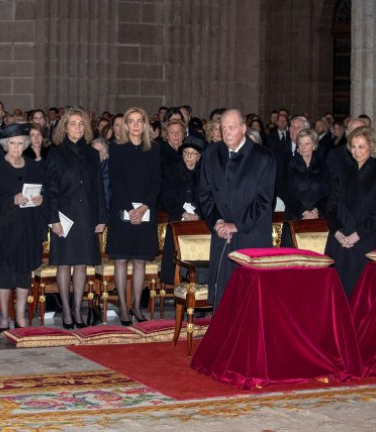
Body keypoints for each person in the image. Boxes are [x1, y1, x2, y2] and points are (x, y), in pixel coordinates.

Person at [198, 109, 275, 309]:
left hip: (251, 235)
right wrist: (218, 222)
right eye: (223, 128)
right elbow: (204, 194)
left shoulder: (263, 157)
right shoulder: (211, 153)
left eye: (231, 127)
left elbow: (264, 200)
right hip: (221, 234)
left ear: (243, 128)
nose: (226, 132)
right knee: (224, 298)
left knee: (248, 299)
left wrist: (236, 225)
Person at [46, 106, 106, 329]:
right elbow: (50, 189)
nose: (78, 128)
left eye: (81, 124)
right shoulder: (56, 153)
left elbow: (99, 187)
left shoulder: (92, 153)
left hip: (86, 215)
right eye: (73, 124)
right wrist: (53, 219)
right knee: (64, 264)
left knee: (81, 264)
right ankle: (66, 312)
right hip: (64, 215)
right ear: (64, 127)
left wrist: (101, 216)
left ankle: (78, 309)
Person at [106, 107, 161, 324]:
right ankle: (123, 307)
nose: (136, 125)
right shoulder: (117, 148)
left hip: (146, 210)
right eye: (132, 121)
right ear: (126, 125)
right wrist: (131, 208)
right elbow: (116, 181)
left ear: (145, 124)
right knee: (121, 260)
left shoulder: (154, 149)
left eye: (140, 121)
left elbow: (156, 180)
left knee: (140, 261)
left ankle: (137, 306)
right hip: (123, 209)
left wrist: (144, 207)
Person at [0, 123, 47, 331]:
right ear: (6, 145)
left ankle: (21, 316)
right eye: (12, 143)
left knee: (24, 273)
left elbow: (42, 191)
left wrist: (40, 199)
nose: (17, 147)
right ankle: (5, 316)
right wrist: (11, 199)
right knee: (4, 274)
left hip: (27, 227)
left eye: (20, 143)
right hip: (4, 228)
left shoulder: (32, 166)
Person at [325, 126, 376, 296]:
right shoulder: (343, 173)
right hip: (339, 240)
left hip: (364, 241)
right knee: (338, 291)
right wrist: (338, 231)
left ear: (371, 147)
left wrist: (357, 234)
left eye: (361, 146)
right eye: (353, 146)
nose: (357, 151)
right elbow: (330, 206)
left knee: (361, 293)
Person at [160, 137, 204, 286]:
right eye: (186, 153)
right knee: (175, 256)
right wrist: (182, 213)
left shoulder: (205, 174)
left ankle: (196, 285)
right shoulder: (171, 171)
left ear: (199, 156)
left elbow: (208, 197)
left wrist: (199, 214)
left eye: (193, 153)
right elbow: (167, 196)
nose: (189, 157)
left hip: (199, 222)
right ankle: (176, 285)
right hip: (178, 219)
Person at [280, 129, 329, 246]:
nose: (303, 147)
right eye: (300, 144)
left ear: (314, 145)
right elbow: (286, 193)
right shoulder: (289, 165)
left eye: (307, 144)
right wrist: (304, 212)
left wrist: (316, 211)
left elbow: (328, 193)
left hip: (318, 218)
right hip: (294, 218)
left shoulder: (323, 166)